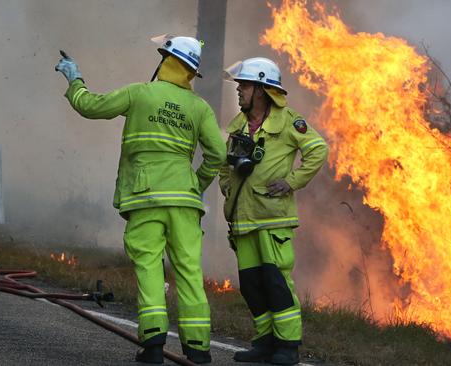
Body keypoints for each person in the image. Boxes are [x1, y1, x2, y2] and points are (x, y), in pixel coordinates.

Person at [55, 36, 226, 364]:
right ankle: (199, 349)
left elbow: (90, 106)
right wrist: (195, 184)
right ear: (190, 73)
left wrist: (74, 78)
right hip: (185, 201)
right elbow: (217, 154)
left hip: (145, 197)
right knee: (189, 270)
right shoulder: (199, 108)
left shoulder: (140, 93)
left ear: (165, 61)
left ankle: (152, 346)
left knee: (149, 267)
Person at [219, 57, 328, 365]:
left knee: (276, 283)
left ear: (263, 90)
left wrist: (292, 181)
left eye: (245, 85)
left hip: (272, 218)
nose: (239, 91)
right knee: (252, 287)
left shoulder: (289, 122)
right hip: (244, 219)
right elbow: (226, 162)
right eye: (240, 85)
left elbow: (318, 149)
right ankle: (264, 343)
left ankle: (287, 346)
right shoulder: (239, 124)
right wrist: (225, 184)